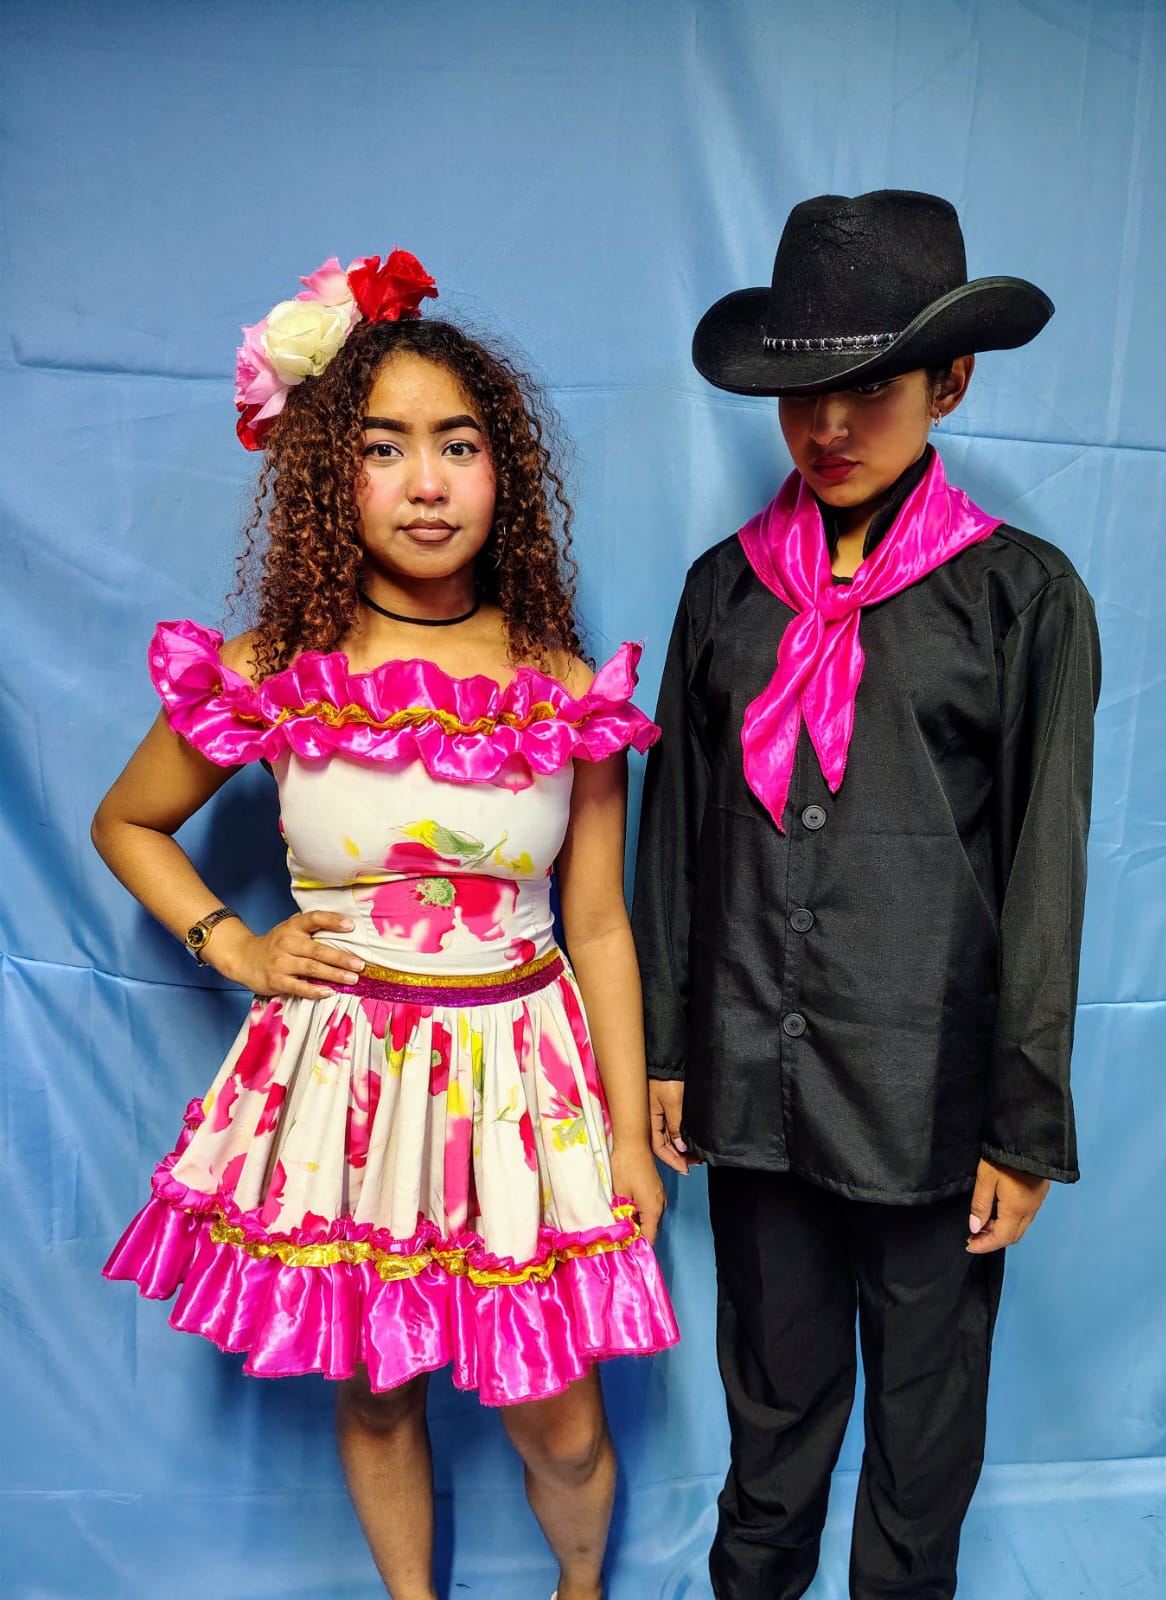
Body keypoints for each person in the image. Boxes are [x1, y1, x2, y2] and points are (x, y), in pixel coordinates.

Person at [95, 249, 677, 1600]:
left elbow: (598, 925)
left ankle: (581, 1590)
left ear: (501, 473)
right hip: (345, 1086)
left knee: (561, 1419)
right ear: (330, 473)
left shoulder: (563, 689)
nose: (427, 483)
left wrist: (622, 1134)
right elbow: (127, 823)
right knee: (375, 1392)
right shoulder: (276, 674)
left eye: (458, 446)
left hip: (524, 1087)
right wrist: (234, 945)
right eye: (385, 447)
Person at [633, 191, 1100, 1600]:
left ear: (949, 383)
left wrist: (1022, 1122)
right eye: (803, 394)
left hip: (931, 1103)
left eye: (873, 388)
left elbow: (1045, 869)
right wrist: (666, 1045)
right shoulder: (724, 595)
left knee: (922, 1434)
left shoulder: (1020, 599)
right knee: (770, 1417)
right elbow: (673, 837)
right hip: (754, 1087)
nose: (830, 427)